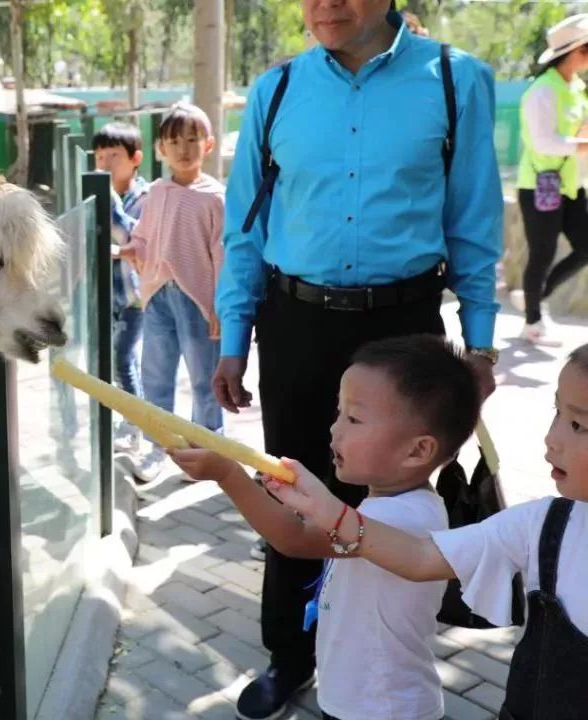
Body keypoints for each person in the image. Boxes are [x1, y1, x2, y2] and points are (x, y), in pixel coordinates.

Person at [211, 2, 503, 718]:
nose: (326, 5)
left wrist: (482, 341)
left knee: (394, 497)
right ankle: (290, 652)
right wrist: (232, 337)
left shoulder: (453, 81)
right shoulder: (275, 89)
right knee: (292, 484)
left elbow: (474, 220)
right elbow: (243, 228)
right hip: (296, 324)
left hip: (405, 326)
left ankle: (380, 662)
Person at [264, 342, 588, 720]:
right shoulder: (543, 523)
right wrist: (326, 508)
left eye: (579, 424)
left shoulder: (410, 509)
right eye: (557, 413)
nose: (552, 438)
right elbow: (420, 557)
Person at [173, 335, 481, 720]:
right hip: (360, 700)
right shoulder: (392, 505)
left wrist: (227, 474)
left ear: (417, 451)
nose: (334, 430)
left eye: (353, 419)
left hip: (380, 709)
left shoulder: (401, 519)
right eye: (339, 413)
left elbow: (295, 538)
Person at [119, 103, 225, 483]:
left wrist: (219, 304)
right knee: (157, 376)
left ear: (208, 145)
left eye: (192, 140)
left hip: (200, 300)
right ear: (161, 148)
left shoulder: (215, 197)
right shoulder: (156, 192)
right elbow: (145, 239)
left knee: (205, 379)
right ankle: (156, 449)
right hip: (158, 297)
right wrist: (132, 251)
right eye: (174, 141)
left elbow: (220, 253)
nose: (184, 148)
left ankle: (208, 451)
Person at [511, 14, 588, 347]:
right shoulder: (541, 92)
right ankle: (532, 321)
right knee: (541, 253)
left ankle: (534, 296)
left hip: (570, 184)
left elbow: (575, 135)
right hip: (540, 185)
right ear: (572, 52)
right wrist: (581, 143)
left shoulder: (578, 88)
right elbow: (543, 142)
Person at [92, 122, 150, 455]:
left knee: (122, 359)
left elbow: (130, 238)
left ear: (135, 158)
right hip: (111, 297)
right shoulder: (100, 195)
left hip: (134, 297)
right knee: (124, 361)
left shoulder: (145, 198)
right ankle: (135, 420)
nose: (105, 163)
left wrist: (109, 202)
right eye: (100, 156)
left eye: (114, 155)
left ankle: (134, 427)